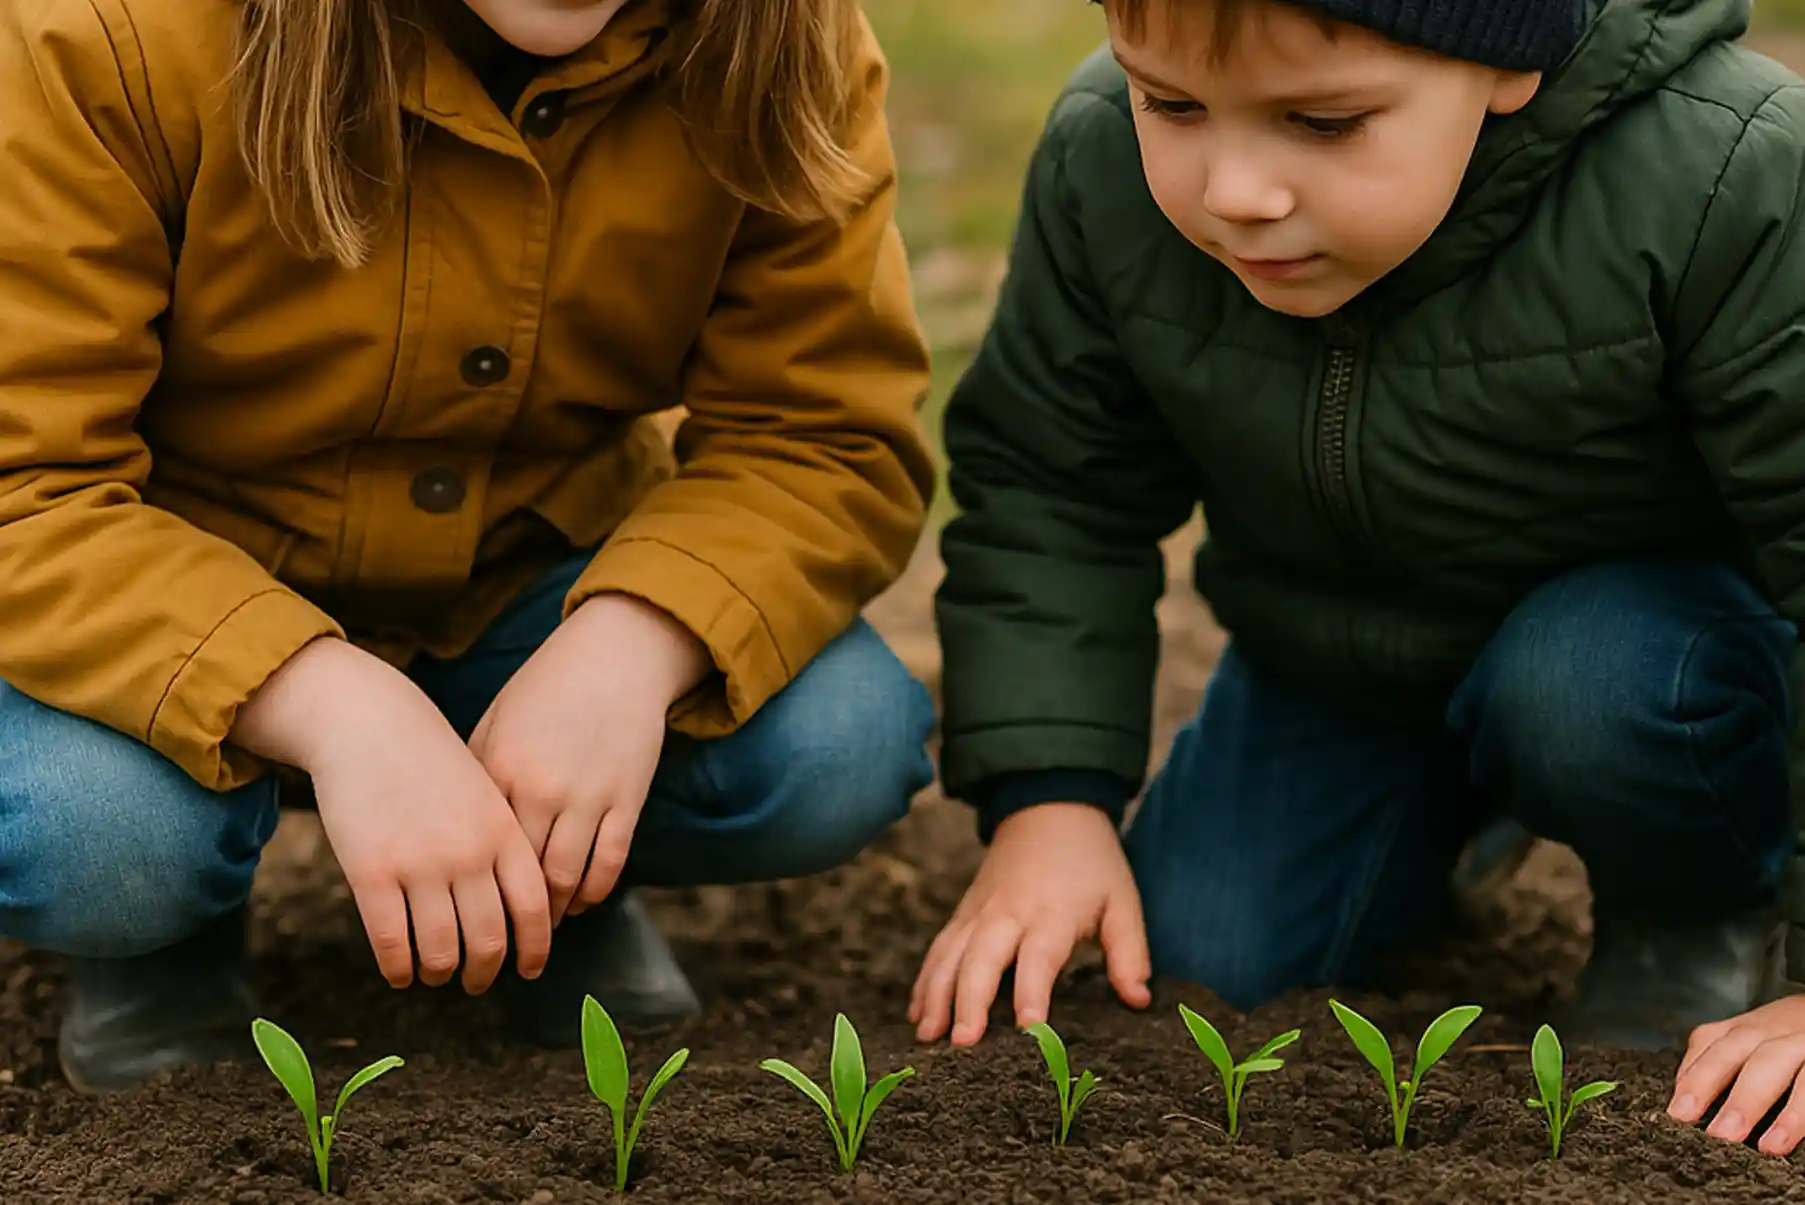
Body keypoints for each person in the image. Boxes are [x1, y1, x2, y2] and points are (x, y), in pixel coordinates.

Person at [916, 0, 1805, 1158]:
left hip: (1642, 662)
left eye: (1323, 121)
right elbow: (1052, 482)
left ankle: (1686, 909)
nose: (1233, 188)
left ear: (1504, 63)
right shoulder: (1099, 154)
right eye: (1171, 103)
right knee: (1206, 960)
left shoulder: (1723, 173)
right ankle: (1471, 798)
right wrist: (1045, 800)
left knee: (1586, 686)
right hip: (1340, 661)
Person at [0, 0, 937, 1093]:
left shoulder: (781, 32)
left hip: (524, 584)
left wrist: (633, 647)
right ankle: (163, 935)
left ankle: (549, 883)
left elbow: (822, 431)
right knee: (106, 843)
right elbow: (28, 483)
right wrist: (330, 703)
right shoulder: (105, 31)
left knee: (837, 743)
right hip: (145, 608)